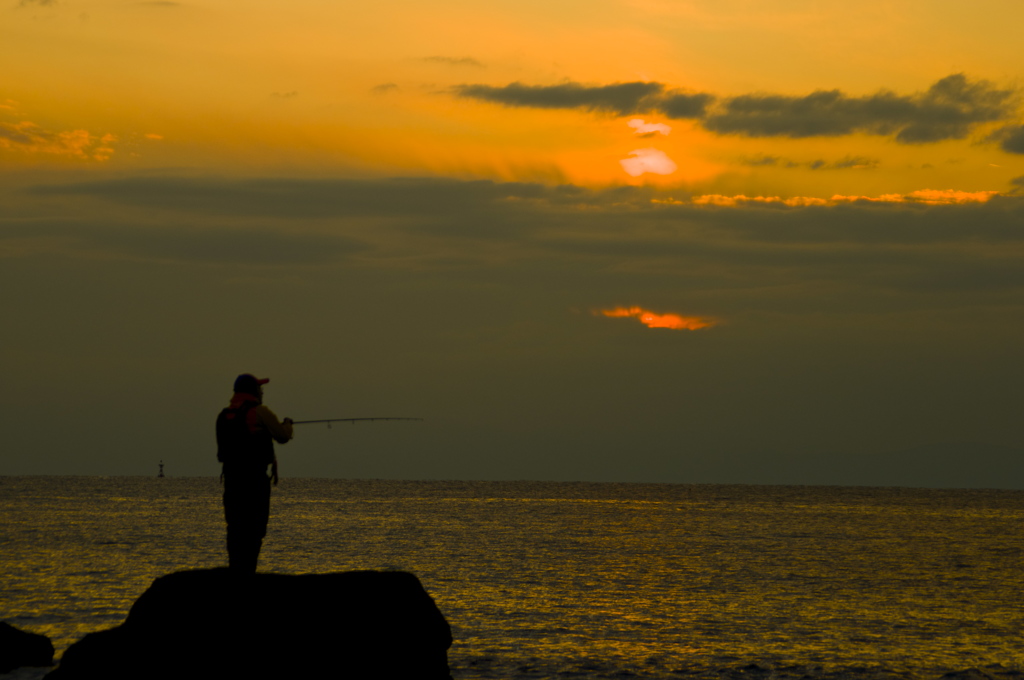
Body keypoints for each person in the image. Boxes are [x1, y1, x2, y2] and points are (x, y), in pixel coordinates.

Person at [215, 373, 293, 573]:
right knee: (254, 529)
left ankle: (236, 570)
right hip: (254, 482)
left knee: (235, 529)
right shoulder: (260, 412)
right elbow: (282, 436)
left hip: (232, 482)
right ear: (254, 391)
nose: (262, 391)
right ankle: (248, 572)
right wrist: (288, 424)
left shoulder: (223, 416)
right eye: (260, 388)